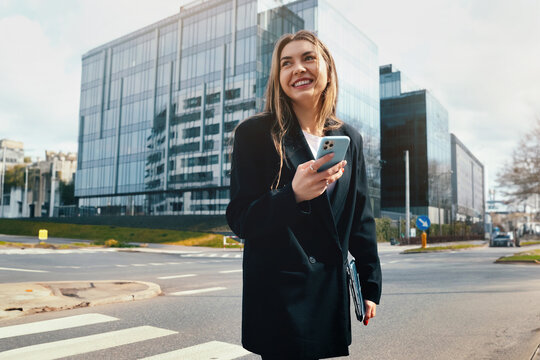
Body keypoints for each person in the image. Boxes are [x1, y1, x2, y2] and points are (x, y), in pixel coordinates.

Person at [226, 30, 382, 359]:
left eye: (308, 58)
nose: (297, 68)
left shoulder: (348, 137)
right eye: (287, 63)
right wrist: (292, 195)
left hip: (329, 292)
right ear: (278, 77)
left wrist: (369, 286)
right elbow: (241, 220)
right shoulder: (253, 134)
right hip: (279, 295)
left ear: (328, 68)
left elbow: (360, 217)